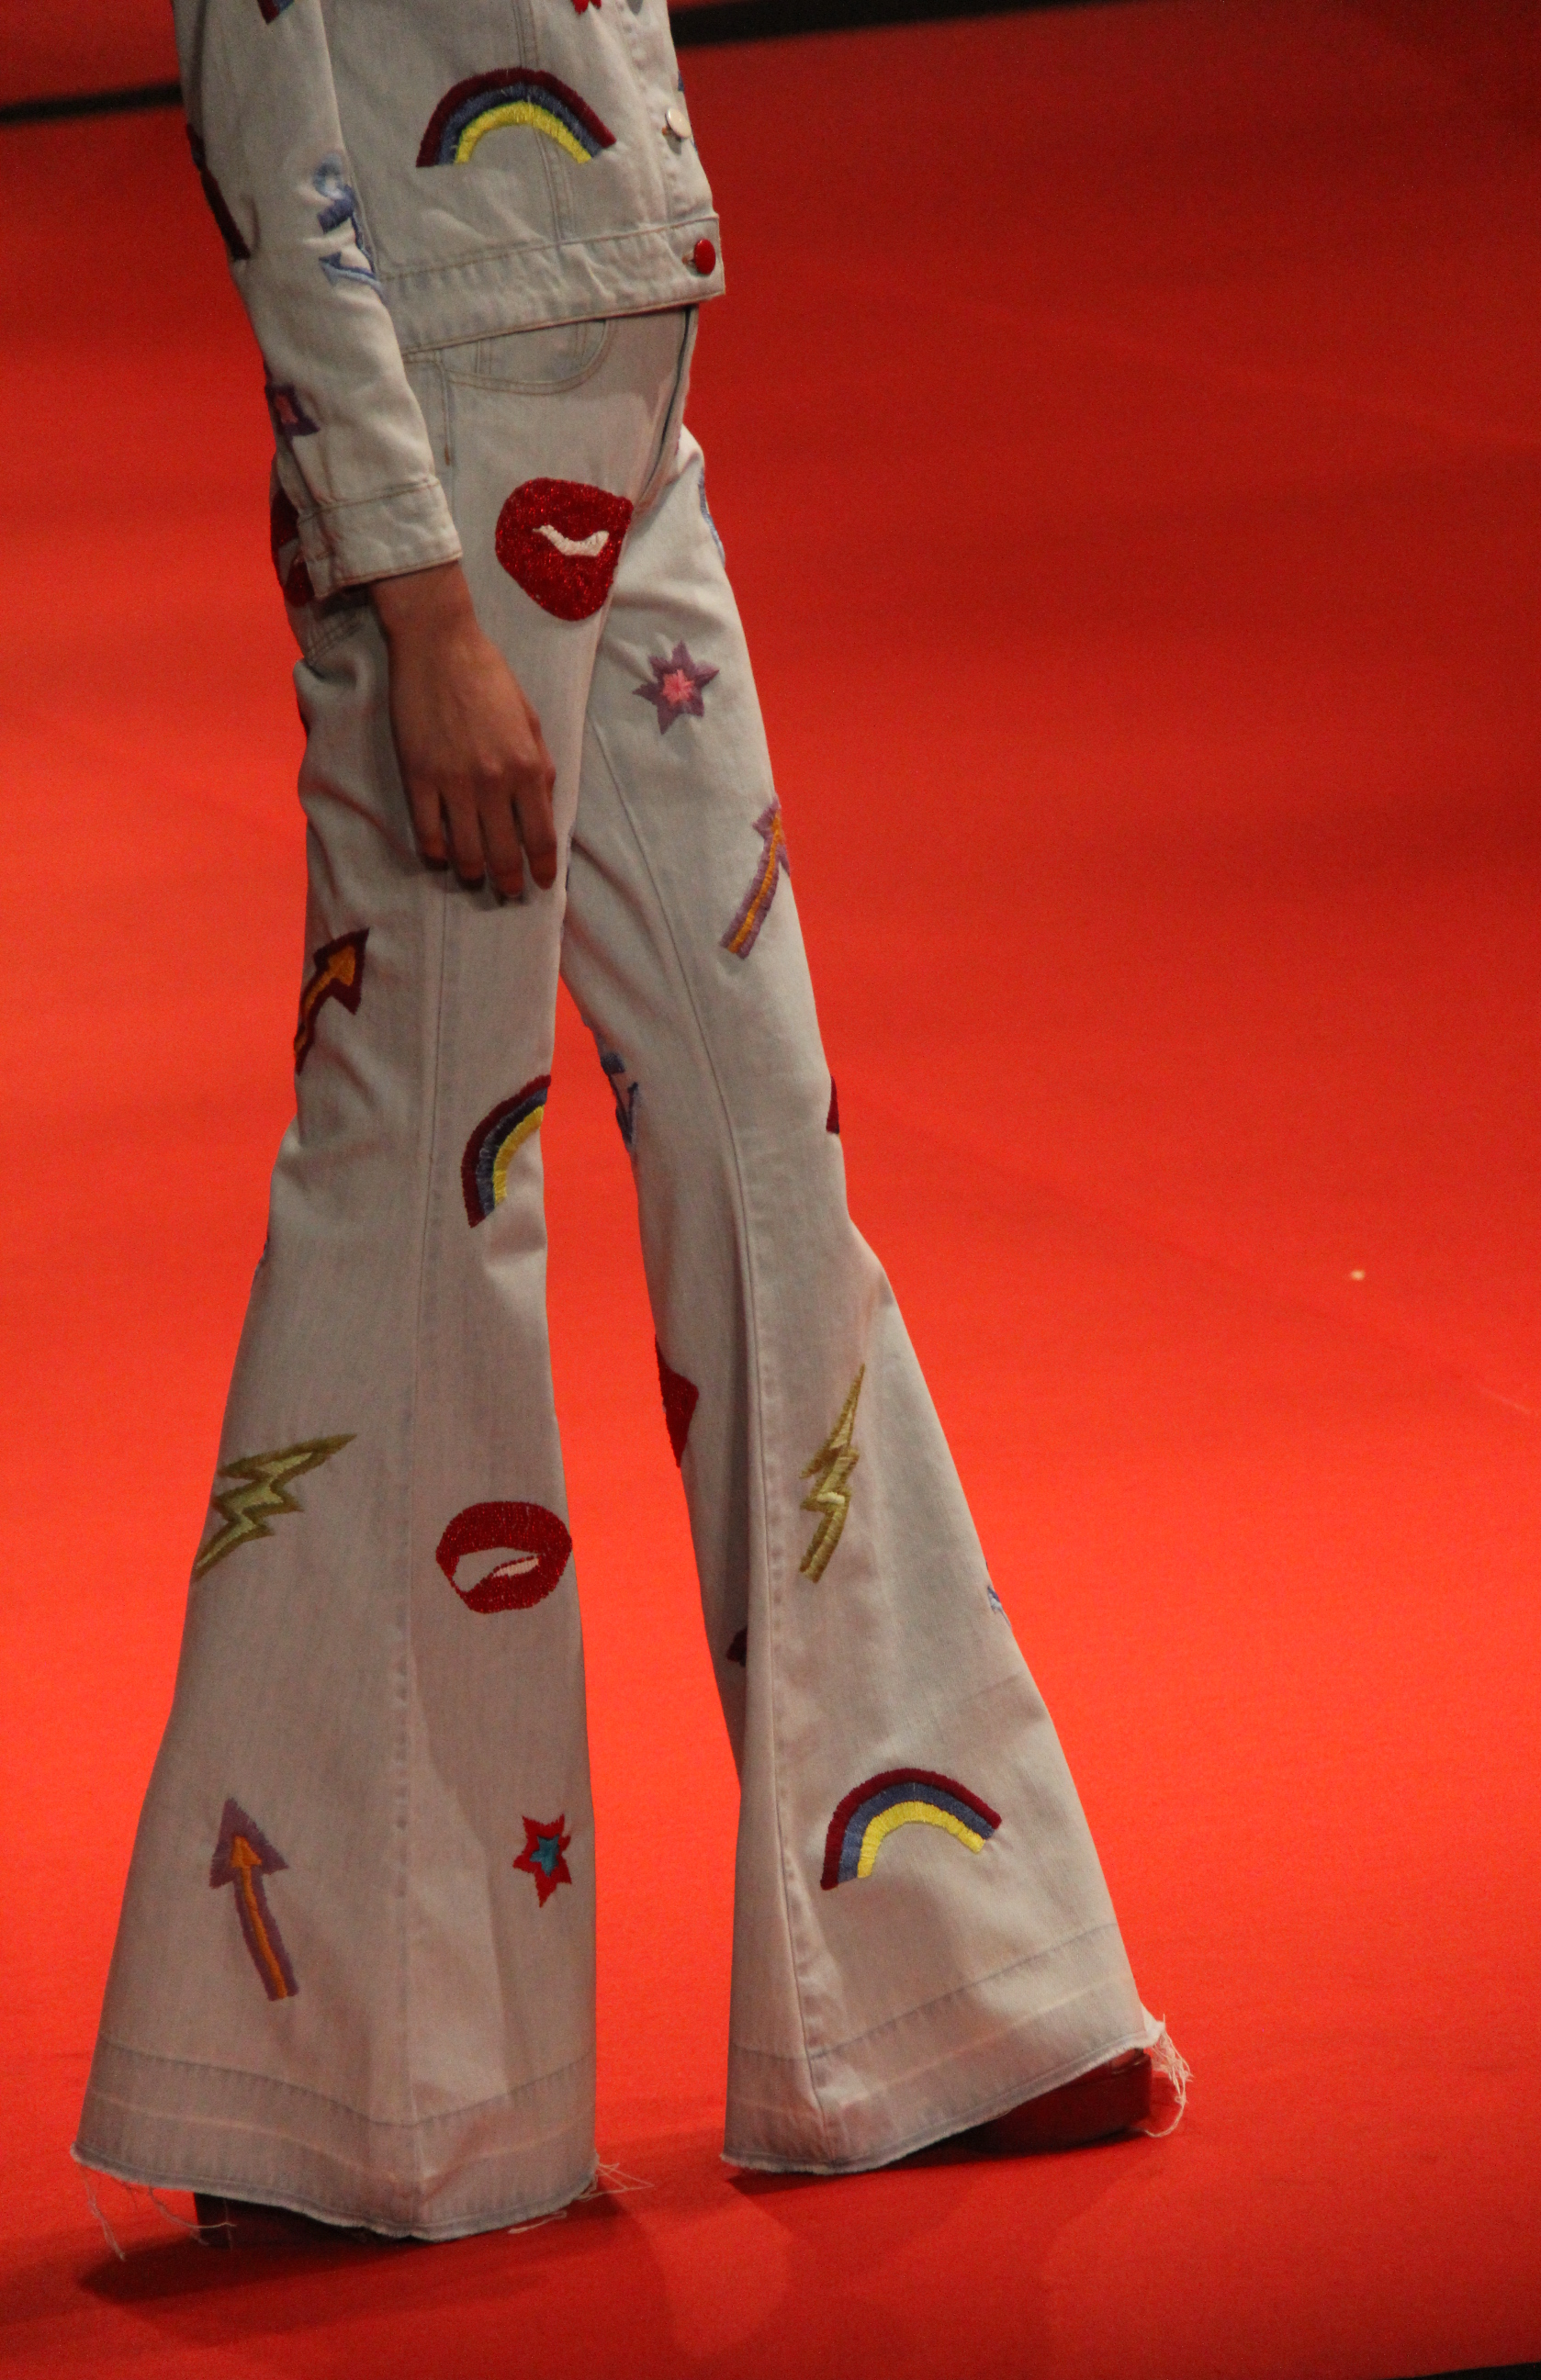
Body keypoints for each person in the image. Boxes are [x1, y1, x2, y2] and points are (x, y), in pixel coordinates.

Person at [74, 0, 1184, 2243]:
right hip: (450, 459)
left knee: (769, 1139)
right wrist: (414, 601)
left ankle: (936, 1990)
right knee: (417, 1201)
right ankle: (338, 2088)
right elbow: (265, 110)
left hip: (628, 403)